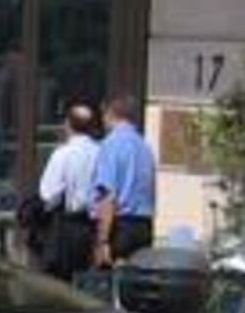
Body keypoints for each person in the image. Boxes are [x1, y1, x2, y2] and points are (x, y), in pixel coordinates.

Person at [33, 100, 102, 279]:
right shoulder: (100, 152)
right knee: (85, 281)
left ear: (68, 125)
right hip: (92, 226)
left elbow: (48, 194)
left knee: (59, 282)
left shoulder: (63, 154)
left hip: (66, 226)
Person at [91, 93, 159, 269]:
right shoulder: (145, 147)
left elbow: (108, 197)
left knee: (109, 285)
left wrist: (103, 241)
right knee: (135, 285)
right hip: (144, 226)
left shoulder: (111, 145)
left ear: (109, 114)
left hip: (120, 226)